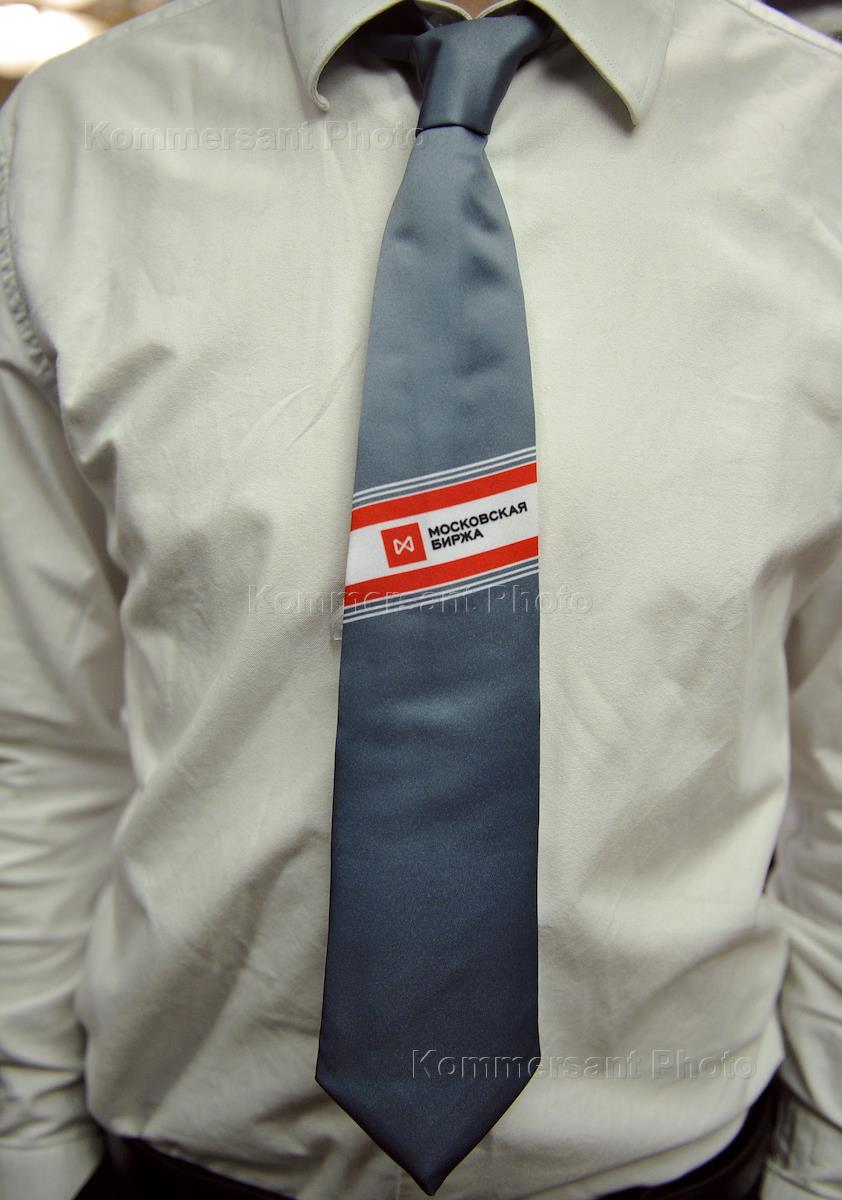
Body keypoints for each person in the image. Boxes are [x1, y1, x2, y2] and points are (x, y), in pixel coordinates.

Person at [1, 0, 841, 1197]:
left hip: (688, 1158)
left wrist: (824, 1155)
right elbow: (36, 728)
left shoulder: (816, 137)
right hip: (179, 1155)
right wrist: (25, 1146)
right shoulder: (75, 145)